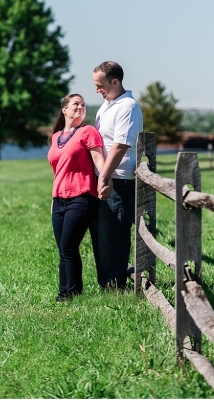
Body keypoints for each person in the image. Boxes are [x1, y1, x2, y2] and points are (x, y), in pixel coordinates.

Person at [47, 94, 109, 302]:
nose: (80, 107)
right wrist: (52, 200)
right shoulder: (56, 137)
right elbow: (58, 172)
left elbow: (99, 160)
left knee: (69, 247)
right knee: (63, 250)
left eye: (83, 105)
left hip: (81, 197)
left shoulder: (88, 132)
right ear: (64, 109)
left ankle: (70, 293)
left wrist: (105, 181)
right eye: (76, 104)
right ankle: (64, 291)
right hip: (59, 199)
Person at [90, 61, 144, 290]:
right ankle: (107, 283)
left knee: (114, 233)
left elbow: (121, 145)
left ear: (115, 81)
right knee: (102, 234)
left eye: (100, 85)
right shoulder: (107, 105)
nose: (97, 90)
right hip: (106, 176)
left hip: (119, 180)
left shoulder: (128, 106)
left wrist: (105, 175)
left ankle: (116, 285)